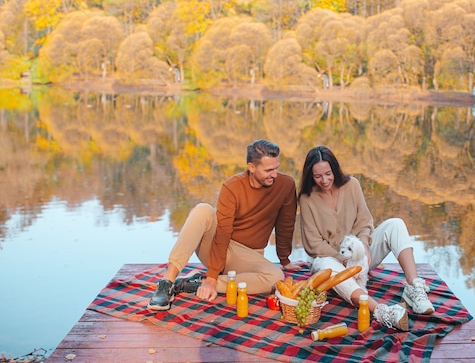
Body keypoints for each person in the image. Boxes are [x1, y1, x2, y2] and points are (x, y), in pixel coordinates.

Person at [148, 139, 303, 310]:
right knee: (203, 210)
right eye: (269, 170)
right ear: (252, 167)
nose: (274, 174)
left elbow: (286, 225)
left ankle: (197, 283)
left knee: (275, 278)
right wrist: (213, 275)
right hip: (219, 247)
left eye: (276, 168)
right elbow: (222, 233)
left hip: (248, 257)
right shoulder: (232, 187)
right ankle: (167, 283)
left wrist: (285, 259)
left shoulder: (286, 185)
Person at [298, 146, 434, 331]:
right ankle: (381, 311)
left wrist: (364, 246)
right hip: (332, 264)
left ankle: (414, 287)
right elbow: (314, 245)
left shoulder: (352, 185)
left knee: (395, 224)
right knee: (324, 264)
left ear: (335, 169)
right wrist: (344, 260)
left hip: (360, 256)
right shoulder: (307, 199)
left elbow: (364, 221)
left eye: (328, 173)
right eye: (318, 176)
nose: (324, 180)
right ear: (310, 176)